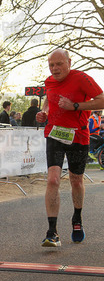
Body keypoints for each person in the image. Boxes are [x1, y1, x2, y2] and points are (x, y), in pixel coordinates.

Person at [35, 48, 104, 247]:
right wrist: (44, 112)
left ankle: (77, 218)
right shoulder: (49, 81)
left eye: (59, 64)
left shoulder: (81, 78)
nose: (55, 68)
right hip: (54, 133)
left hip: (78, 136)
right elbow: (48, 99)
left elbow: (101, 100)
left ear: (69, 62)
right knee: (53, 179)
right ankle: (52, 232)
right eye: (51, 65)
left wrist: (75, 106)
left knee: (76, 180)